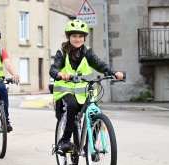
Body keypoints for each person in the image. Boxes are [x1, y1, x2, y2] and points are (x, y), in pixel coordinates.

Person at [49, 20, 124, 150]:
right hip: (66, 92)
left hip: (84, 92)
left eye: (80, 36)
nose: (77, 39)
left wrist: (114, 72)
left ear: (84, 38)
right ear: (68, 37)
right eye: (74, 36)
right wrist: (60, 74)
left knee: (95, 114)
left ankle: (90, 146)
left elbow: (100, 65)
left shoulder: (88, 52)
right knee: (71, 105)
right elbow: (53, 69)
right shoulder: (61, 53)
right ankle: (65, 139)